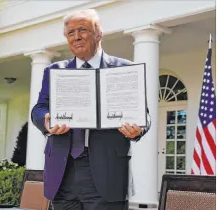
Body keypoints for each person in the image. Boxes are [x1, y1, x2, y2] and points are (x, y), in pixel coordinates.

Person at [31, 9, 151, 210]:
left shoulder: (124, 69)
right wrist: (46, 120)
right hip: (62, 171)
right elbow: (39, 108)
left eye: (83, 30)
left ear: (99, 34)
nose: (76, 37)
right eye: (70, 33)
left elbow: (143, 115)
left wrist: (139, 128)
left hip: (108, 172)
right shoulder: (54, 71)